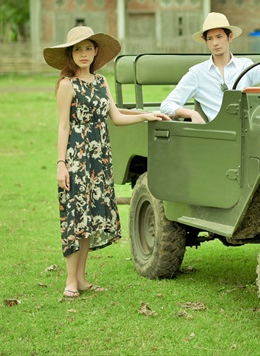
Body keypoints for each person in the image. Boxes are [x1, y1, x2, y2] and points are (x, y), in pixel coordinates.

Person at [45, 26, 171, 299]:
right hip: (77, 156)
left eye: (88, 48)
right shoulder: (67, 85)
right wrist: (60, 163)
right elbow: (63, 127)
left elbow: (116, 117)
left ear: (96, 52)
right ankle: (69, 280)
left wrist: (145, 116)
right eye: (78, 49)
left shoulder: (101, 82)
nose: (83, 54)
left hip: (100, 156)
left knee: (90, 216)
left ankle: (82, 278)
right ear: (70, 54)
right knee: (76, 218)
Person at [160, 12, 260, 123]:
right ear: (206, 42)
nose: (215, 43)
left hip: (250, 128)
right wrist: (192, 114)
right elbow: (167, 105)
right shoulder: (197, 73)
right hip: (220, 133)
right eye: (210, 39)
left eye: (219, 37)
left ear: (229, 37)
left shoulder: (244, 65)